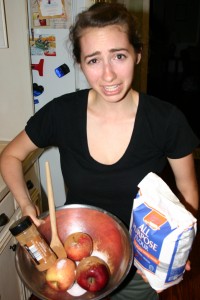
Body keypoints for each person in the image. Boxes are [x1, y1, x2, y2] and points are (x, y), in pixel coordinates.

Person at [0, 3, 199, 300]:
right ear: (81, 64)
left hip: (140, 267)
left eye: (119, 56)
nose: (108, 75)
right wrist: (27, 206)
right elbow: (10, 156)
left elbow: (187, 192)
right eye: (94, 60)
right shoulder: (61, 114)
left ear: (137, 54)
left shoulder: (167, 121)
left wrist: (173, 252)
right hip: (74, 262)